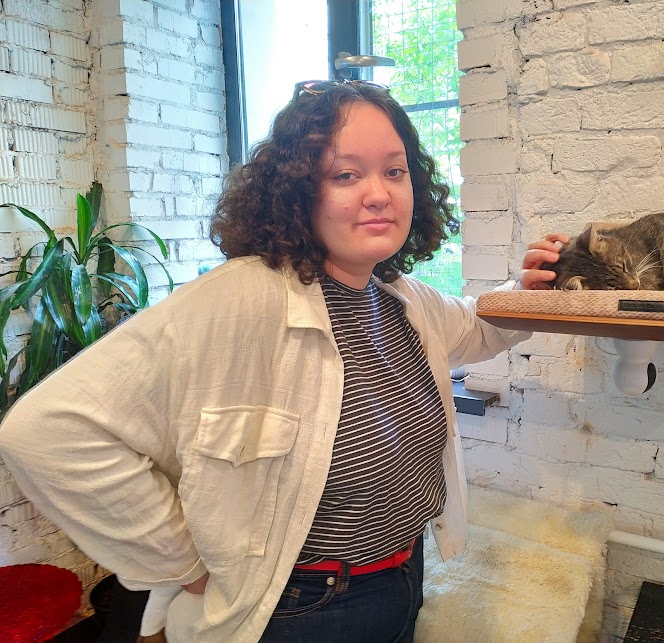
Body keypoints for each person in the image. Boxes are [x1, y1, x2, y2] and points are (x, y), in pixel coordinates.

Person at [0, 79, 569, 642]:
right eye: (346, 175)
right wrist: (180, 563)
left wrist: (527, 290)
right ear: (298, 192)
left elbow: (476, 327)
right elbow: (46, 431)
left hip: (401, 575)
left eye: (395, 171)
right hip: (300, 609)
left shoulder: (399, 297)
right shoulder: (240, 297)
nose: (379, 194)